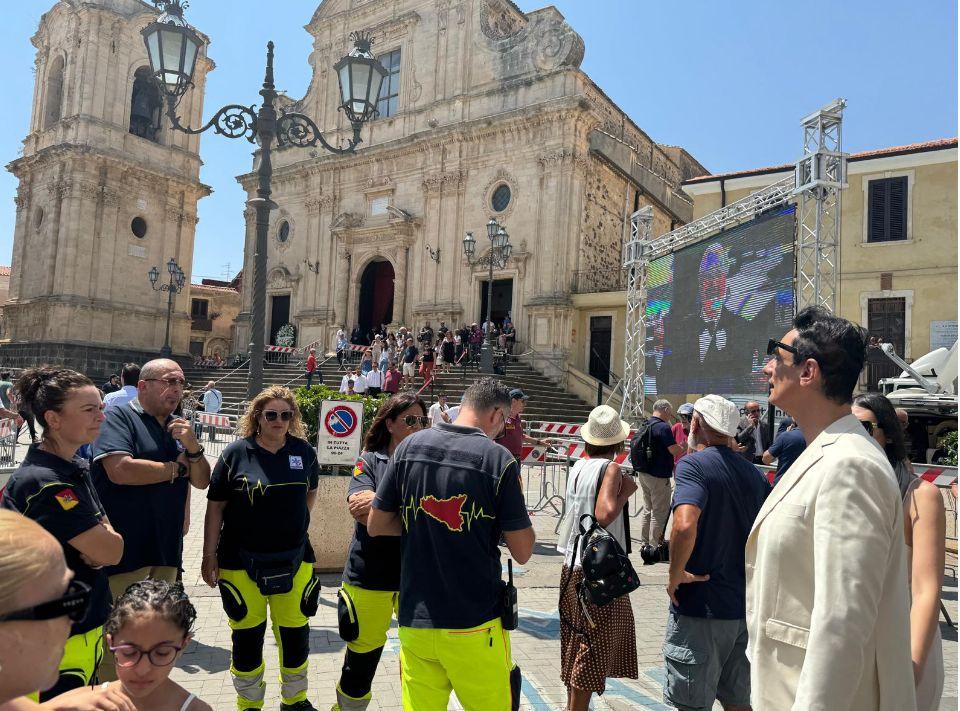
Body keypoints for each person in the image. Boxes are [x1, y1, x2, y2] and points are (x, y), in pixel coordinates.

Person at [746, 307, 915, 709]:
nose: (768, 368)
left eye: (777, 354)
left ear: (808, 372)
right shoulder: (824, 452)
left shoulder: (850, 464)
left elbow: (842, 622)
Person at [367, 378, 534, 710]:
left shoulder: (408, 448)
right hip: (473, 623)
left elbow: (377, 524)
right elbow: (523, 550)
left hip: (415, 620)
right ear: (496, 415)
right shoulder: (497, 459)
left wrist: (427, 523)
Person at [0, 369, 122, 697]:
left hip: (83, 625)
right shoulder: (43, 482)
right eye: (89, 409)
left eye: (100, 406)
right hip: (52, 636)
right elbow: (110, 551)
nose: (101, 415)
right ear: (53, 419)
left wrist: (102, 540)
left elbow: (108, 541)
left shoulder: (74, 468)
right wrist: (102, 542)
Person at [202, 386, 322, 711]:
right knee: (247, 637)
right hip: (239, 562)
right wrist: (208, 554)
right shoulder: (235, 454)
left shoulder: (304, 453)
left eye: (286, 415)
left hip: (296, 560)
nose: (279, 421)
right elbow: (215, 506)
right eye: (272, 414)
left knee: (295, 635)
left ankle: (294, 701)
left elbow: (309, 496)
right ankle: (249, 704)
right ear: (257, 416)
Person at [90, 358, 211, 679]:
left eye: (181, 383)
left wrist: (194, 447)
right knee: (118, 642)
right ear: (143, 386)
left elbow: (201, 480)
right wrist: (176, 469)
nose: (177, 390)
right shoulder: (118, 417)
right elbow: (120, 470)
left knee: (156, 639)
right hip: (124, 554)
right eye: (169, 382)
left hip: (166, 551)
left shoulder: (179, 424)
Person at [664, 395, 770, 711]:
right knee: (739, 702)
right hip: (741, 607)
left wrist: (674, 573)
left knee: (691, 704)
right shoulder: (754, 473)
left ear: (696, 424)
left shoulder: (693, 465)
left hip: (701, 608)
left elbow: (684, 525)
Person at [333, 394, 427, 710]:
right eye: (410, 420)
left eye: (422, 420)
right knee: (362, 658)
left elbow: (437, 518)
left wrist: (383, 508)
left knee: (421, 657)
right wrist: (417, 516)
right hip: (369, 575)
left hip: (415, 576)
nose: (418, 426)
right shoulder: (370, 460)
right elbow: (364, 516)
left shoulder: (429, 464)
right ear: (389, 424)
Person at [853, 393, 945, 710]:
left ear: (888, 434)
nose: (853, 437)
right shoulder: (846, 490)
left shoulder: (920, 495)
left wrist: (912, 668)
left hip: (904, 639)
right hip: (855, 641)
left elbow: (926, 589)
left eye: (863, 428)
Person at [555, 405, 639, 710]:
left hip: (573, 562)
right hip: (599, 569)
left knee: (576, 638)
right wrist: (626, 492)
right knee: (594, 643)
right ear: (617, 442)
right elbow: (603, 515)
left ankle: (571, 705)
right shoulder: (611, 469)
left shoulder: (580, 466)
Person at [98, 579, 211, 711]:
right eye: (129, 652)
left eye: (161, 652)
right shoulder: (83, 705)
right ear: (111, 642)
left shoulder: (195, 709)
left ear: (183, 644)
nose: (142, 669)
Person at [632, 400, 684, 549]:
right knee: (659, 512)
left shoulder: (646, 424)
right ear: (666, 409)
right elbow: (674, 450)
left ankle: (644, 543)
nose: (671, 415)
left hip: (643, 473)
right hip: (658, 476)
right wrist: (683, 447)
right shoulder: (663, 427)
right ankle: (655, 546)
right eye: (670, 411)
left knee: (647, 509)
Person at [494, 389, 550, 471]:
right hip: (503, 460)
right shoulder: (502, 417)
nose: (525, 404)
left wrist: (540, 442)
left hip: (516, 459)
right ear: (513, 401)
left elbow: (522, 436)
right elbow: (491, 437)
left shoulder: (517, 417)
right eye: (523, 401)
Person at [762, 419, 806, 485]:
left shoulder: (786, 436)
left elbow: (766, 459)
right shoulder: (817, 436)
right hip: (806, 485)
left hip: (783, 484)